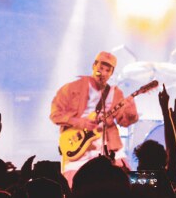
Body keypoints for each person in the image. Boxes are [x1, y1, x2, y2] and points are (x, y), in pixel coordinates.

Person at [50, 51, 139, 185]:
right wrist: (78, 122)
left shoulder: (115, 93)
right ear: (94, 66)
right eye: (101, 68)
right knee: (75, 186)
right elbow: (55, 114)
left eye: (107, 70)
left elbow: (124, 122)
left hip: (109, 150)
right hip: (78, 150)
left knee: (122, 183)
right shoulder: (71, 88)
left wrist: (131, 110)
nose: (103, 72)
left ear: (111, 73)